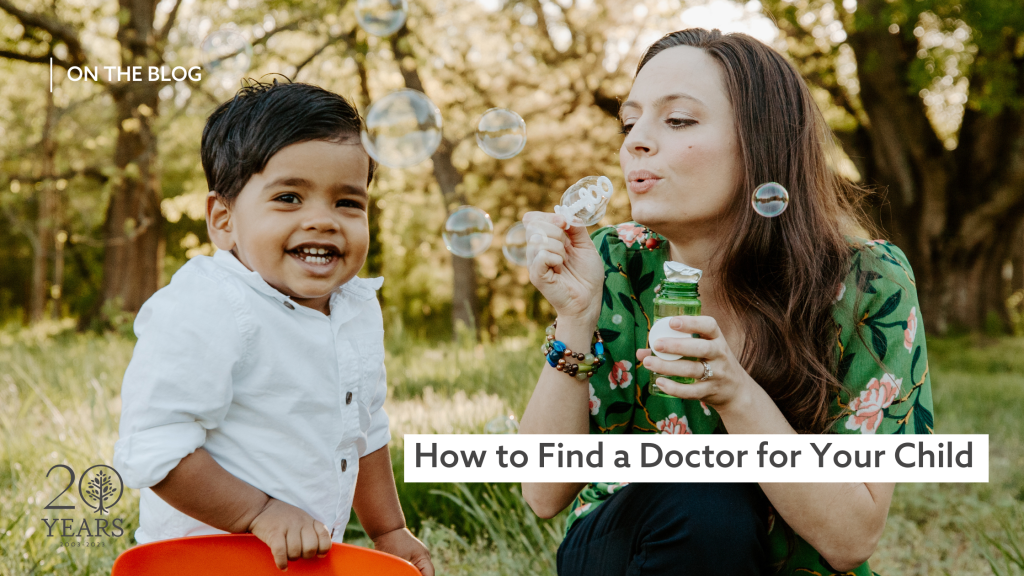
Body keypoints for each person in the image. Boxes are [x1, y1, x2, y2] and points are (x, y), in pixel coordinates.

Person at [519, 28, 933, 576]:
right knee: (703, 493)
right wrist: (574, 317)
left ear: (762, 144)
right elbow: (544, 492)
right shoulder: (614, 262)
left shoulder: (867, 281)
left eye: (679, 120)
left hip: (792, 566)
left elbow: (851, 539)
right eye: (630, 120)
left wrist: (735, 393)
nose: (635, 141)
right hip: (633, 550)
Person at [113, 80, 433, 575]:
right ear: (223, 220)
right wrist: (257, 512)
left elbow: (363, 428)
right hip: (203, 561)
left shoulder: (355, 306)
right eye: (289, 197)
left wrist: (388, 530)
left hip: (301, 558)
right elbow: (155, 449)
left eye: (348, 202)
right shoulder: (208, 304)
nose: (323, 221)